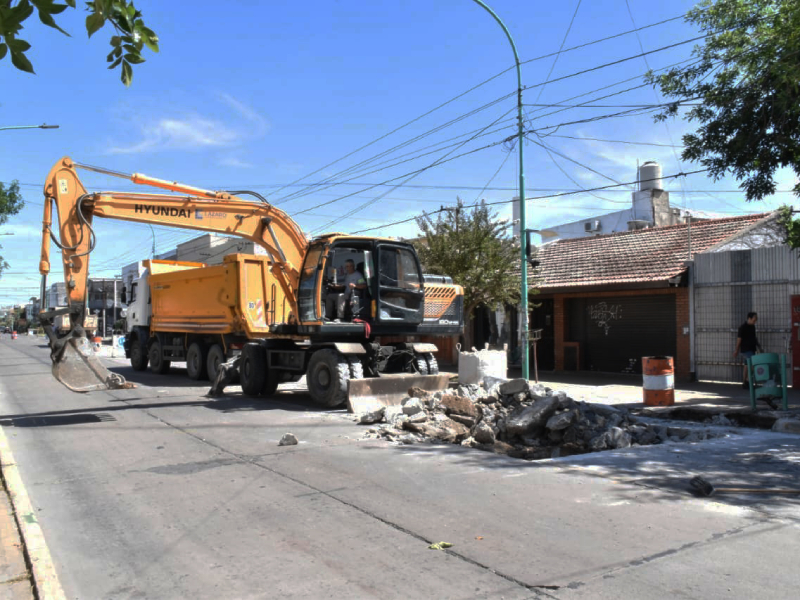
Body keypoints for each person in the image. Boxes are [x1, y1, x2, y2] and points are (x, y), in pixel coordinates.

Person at [733, 312, 762, 388]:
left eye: (755, 320)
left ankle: (745, 382)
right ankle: (748, 381)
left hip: (752, 349)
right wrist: (736, 350)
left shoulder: (753, 327)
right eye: (753, 320)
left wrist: (759, 347)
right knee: (752, 365)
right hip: (746, 349)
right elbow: (739, 339)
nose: (754, 322)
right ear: (749, 318)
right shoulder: (742, 327)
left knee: (746, 365)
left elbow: (754, 338)